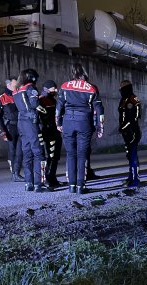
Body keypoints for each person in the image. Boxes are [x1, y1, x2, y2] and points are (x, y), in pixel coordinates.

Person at [56, 63, 104, 194]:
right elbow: (99, 109)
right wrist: (100, 128)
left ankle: (71, 185)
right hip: (84, 122)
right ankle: (80, 186)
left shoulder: (65, 86)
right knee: (82, 155)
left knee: (71, 154)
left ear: (72, 73)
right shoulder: (91, 88)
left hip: (68, 122)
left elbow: (59, 107)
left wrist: (58, 123)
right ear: (84, 72)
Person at [13, 68, 50, 193]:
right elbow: (34, 104)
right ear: (32, 78)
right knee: (38, 152)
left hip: (20, 122)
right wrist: (41, 98)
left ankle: (29, 183)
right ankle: (39, 184)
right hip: (30, 122)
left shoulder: (17, 90)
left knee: (27, 153)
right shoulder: (30, 88)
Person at [0, 76, 23, 182]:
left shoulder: (19, 95)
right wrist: (2, 131)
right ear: (9, 85)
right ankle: (14, 173)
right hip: (10, 127)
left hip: (21, 126)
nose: (17, 86)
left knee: (20, 150)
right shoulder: (1, 98)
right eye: (15, 84)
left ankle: (17, 173)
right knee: (13, 150)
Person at [38, 80, 63, 187]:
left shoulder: (52, 100)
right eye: (53, 88)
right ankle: (47, 179)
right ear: (46, 89)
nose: (56, 90)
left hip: (55, 130)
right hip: (47, 131)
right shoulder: (41, 100)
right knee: (50, 155)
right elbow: (40, 118)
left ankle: (52, 178)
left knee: (56, 156)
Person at [118, 80, 142, 187]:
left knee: (133, 156)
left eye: (122, 88)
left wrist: (124, 127)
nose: (120, 90)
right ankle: (131, 177)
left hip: (132, 131)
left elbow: (133, 118)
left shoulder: (131, 99)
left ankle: (135, 179)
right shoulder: (126, 99)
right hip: (127, 131)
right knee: (130, 155)